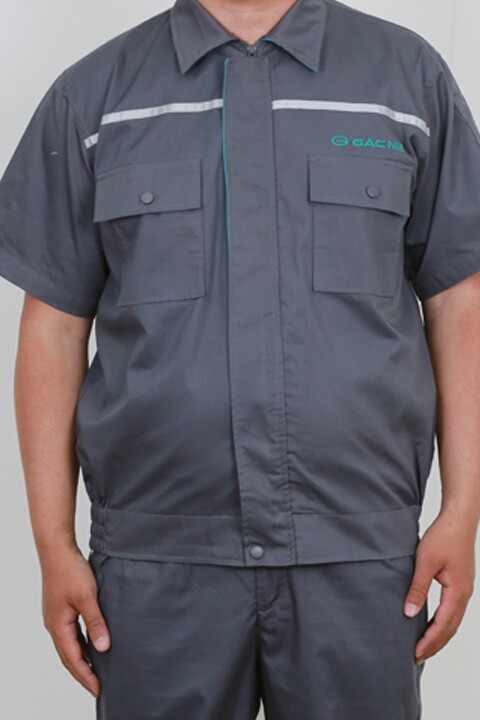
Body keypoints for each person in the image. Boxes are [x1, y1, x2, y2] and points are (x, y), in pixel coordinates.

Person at [1, 0, 479, 717]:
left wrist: (463, 510)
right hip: (157, 560)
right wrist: (52, 543)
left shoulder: (406, 79)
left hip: (360, 553)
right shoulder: (95, 97)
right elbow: (53, 330)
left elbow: (460, 302)